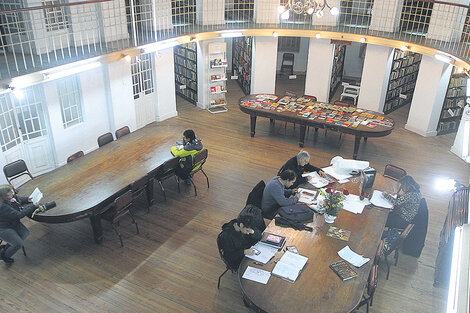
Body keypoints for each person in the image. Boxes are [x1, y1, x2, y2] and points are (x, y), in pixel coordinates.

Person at [0, 185, 39, 264]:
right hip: (3, 228)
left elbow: (17, 198)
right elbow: (19, 215)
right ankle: (4, 255)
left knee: (25, 233)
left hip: (12, 223)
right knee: (18, 244)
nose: (13, 192)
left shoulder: (9, 198)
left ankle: (8, 246)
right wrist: (33, 206)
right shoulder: (2, 206)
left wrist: (27, 199)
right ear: (5, 196)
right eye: (10, 192)